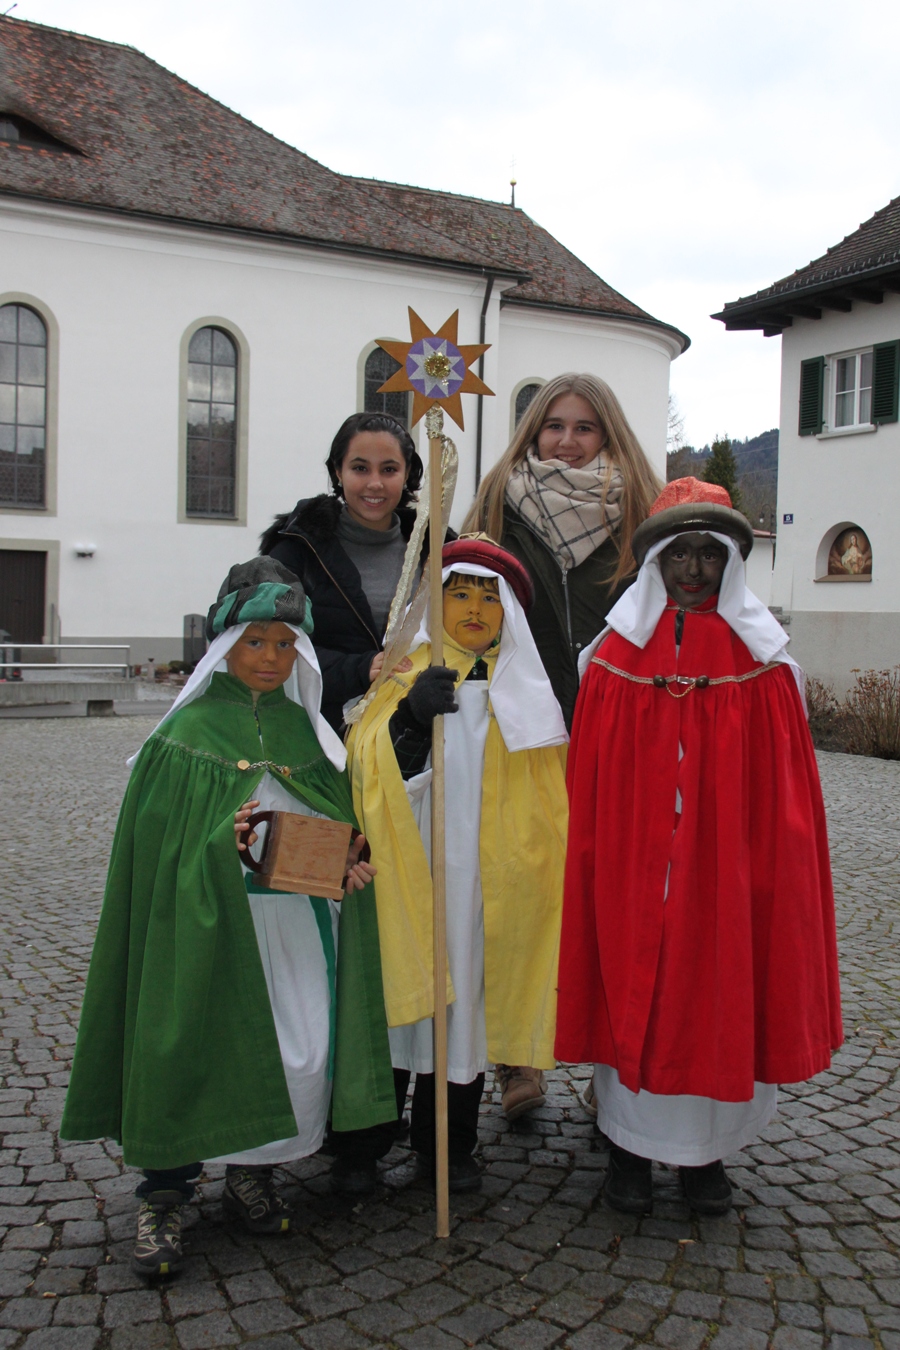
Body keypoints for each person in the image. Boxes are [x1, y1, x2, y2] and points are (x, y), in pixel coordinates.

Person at [60, 558, 396, 1276]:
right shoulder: (184, 736)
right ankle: (164, 1193)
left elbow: (331, 830)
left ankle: (252, 1170)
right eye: (255, 642)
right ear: (225, 645)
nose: (271, 657)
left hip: (297, 929)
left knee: (294, 1050)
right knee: (186, 1042)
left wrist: (347, 861)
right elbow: (159, 853)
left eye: (285, 644)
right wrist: (222, 843)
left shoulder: (310, 733)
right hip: (201, 927)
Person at [555, 479, 843, 1216]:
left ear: (729, 562)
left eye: (707, 554)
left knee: (719, 989)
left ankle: (705, 1159)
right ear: (654, 560)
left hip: (725, 871)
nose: (691, 569)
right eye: (677, 553)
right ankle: (626, 1149)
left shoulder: (765, 662)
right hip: (636, 866)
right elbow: (592, 778)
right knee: (637, 990)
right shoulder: (613, 657)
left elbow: (783, 790)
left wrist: (759, 863)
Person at [464, 373, 661, 1119]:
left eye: (584, 428)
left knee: (610, 901)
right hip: (523, 729)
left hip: (618, 736)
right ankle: (518, 1057)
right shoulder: (495, 509)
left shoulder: (644, 519)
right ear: (532, 432)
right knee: (521, 891)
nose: (567, 442)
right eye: (554, 426)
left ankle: (615, 1066)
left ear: (608, 434)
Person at [346, 537, 569, 1192]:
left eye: (489, 598)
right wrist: (411, 722)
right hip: (411, 870)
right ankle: (364, 1145)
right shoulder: (403, 675)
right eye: (460, 593)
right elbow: (365, 766)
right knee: (398, 994)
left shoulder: (525, 692)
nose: (474, 609)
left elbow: (549, 801)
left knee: (463, 1005)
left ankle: (447, 1144)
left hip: (483, 887)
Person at [260, 411, 452, 732]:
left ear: (406, 473)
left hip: (412, 737)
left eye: (389, 469)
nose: (375, 483)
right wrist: (359, 669)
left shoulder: (437, 549)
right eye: (360, 468)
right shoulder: (298, 549)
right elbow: (272, 643)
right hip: (321, 735)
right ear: (338, 472)